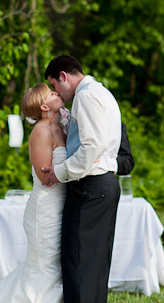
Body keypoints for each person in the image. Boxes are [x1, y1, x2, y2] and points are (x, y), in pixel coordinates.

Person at [0, 83, 67, 302]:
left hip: (61, 205)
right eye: (52, 93)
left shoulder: (60, 126)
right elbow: (46, 178)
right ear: (44, 106)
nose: (57, 93)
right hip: (46, 209)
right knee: (44, 267)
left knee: (53, 267)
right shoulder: (42, 131)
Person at [40, 54, 122, 303]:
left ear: (64, 76)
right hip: (104, 184)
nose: (57, 93)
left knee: (77, 262)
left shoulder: (85, 96)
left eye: (54, 86)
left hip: (90, 187)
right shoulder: (101, 92)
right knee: (94, 265)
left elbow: (90, 147)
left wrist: (59, 172)